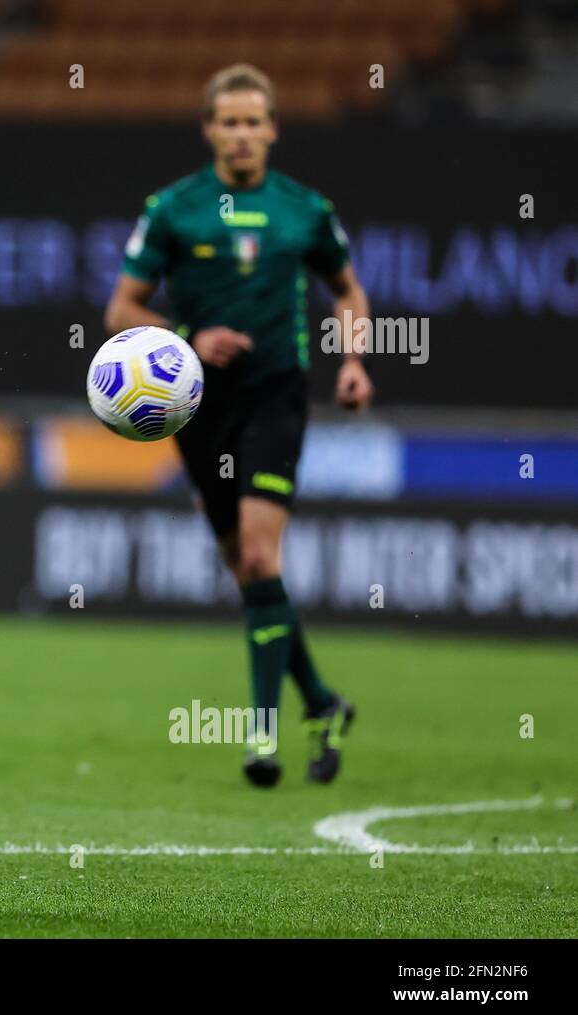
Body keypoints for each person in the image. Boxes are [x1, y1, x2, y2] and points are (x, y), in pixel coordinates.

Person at [104, 65, 374, 787]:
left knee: (258, 558)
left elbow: (348, 289)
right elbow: (122, 310)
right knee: (252, 573)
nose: (244, 134)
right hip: (197, 407)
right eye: (230, 122)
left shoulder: (305, 210)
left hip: (275, 393)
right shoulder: (174, 209)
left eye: (256, 121)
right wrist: (189, 332)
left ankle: (261, 736)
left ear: (273, 129)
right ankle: (323, 701)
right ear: (210, 130)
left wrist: (353, 361)